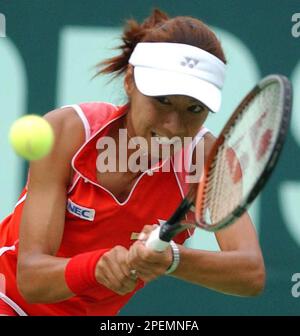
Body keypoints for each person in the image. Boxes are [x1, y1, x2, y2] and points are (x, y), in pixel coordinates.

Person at [0, 9, 265, 316]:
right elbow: (31, 278)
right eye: (162, 100)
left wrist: (172, 258)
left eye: (194, 108)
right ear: (130, 81)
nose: (173, 126)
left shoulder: (209, 161)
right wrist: (97, 267)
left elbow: (251, 272)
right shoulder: (67, 132)